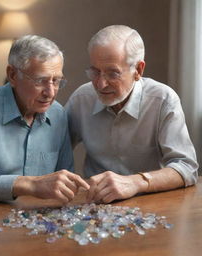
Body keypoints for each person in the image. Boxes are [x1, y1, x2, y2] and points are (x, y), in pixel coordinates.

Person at [65, 25, 198, 204]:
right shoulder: (82, 99)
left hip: (151, 203)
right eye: (95, 72)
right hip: (96, 205)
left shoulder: (163, 100)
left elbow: (186, 168)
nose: (101, 84)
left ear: (138, 70)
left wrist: (135, 182)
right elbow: (53, 153)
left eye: (113, 74)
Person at [0, 35, 89, 203]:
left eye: (56, 81)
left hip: (42, 220)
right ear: (13, 75)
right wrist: (30, 184)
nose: (50, 93)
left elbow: (65, 183)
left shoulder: (58, 113)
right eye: (40, 81)